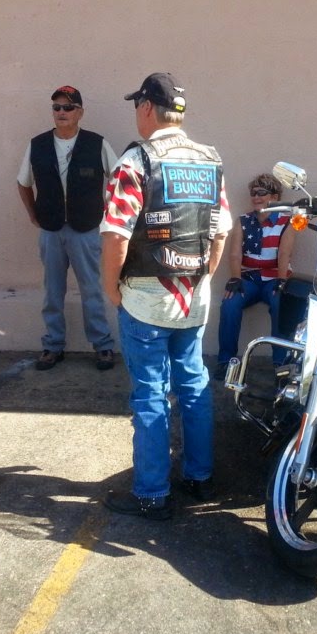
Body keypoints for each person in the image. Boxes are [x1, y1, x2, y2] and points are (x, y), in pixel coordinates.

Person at [100, 73, 230, 520]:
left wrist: (110, 288)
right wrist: (202, 278)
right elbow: (220, 233)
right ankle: (200, 478)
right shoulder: (209, 160)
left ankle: (151, 494)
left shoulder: (134, 161)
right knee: (193, 387)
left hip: (145, 299)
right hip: (192, 299)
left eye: (137, 106)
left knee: (150, 395)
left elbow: (116, 236)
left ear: (146, 108)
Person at [17, 85, 118, 371]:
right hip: (50, 229)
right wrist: (33, 215)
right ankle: (52, 346)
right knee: (52, 291)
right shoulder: (37, 144)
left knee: (91, 290)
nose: (61, 112)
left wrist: (108, 212)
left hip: (86, 228)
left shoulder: (96, 143)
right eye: (57, 107)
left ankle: (103, 345)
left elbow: (118, 178)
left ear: (80, 112)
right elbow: (23, 182)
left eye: (68, 107)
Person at [215, 174, 296, 379]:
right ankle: (226, 362)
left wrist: (281, 281)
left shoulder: (287, 221)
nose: (256, 197)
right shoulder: (243, 221)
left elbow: (284, 254)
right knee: (230, 303)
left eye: (262, 193)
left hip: (275, 278)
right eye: (253, 193)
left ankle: (281, 365)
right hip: (249, 278)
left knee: (281, 305)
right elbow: (235, 254)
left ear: (274, 197)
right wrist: (235, 278)